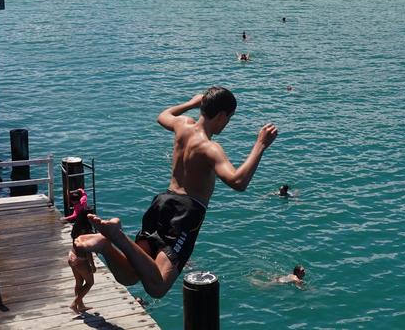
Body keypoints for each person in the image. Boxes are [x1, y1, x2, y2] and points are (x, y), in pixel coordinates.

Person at [74, 87, 278, 298]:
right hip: (186, 212)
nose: (227, 123)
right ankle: (117, 237)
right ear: (221, 115)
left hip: (162, 201)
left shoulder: (183, 125)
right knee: (157, 286)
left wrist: (191, 103)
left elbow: (163, 116)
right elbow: (238, 182)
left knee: (132, 275)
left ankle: (105, 245)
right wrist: (260, 144)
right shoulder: (210, 147)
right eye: (229, 118)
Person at [67, 208, 96, 312]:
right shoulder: (86, 230)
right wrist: (92, 264)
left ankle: (80, 305)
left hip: (71, 255)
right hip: (81, 259)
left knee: (79, 282)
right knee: (90, 282)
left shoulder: (77, 226)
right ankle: (75, 303)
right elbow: (87, 250)